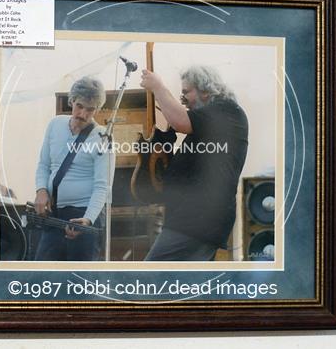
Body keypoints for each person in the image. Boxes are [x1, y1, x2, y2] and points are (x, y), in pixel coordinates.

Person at [140, 65, 248, 261]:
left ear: (205, 90)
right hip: (193, 220)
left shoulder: (226, 111)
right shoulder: (210, 119)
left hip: (198, 220)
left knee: (151, 273)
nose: (183, 99)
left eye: (186, 92)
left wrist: (158, 87)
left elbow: (181, 121)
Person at [33, 77, 115, 261]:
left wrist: (88, 220)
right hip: (53, 213)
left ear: (98, 109)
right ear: (71, 101)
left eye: (90, 109)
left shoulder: (103, 137)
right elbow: (43, 164)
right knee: (42, 273)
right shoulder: (55, 124)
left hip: (83, 215)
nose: (83, 114)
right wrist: (41, 190)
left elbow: (102, 186)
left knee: (81, 276)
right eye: (79, 106)